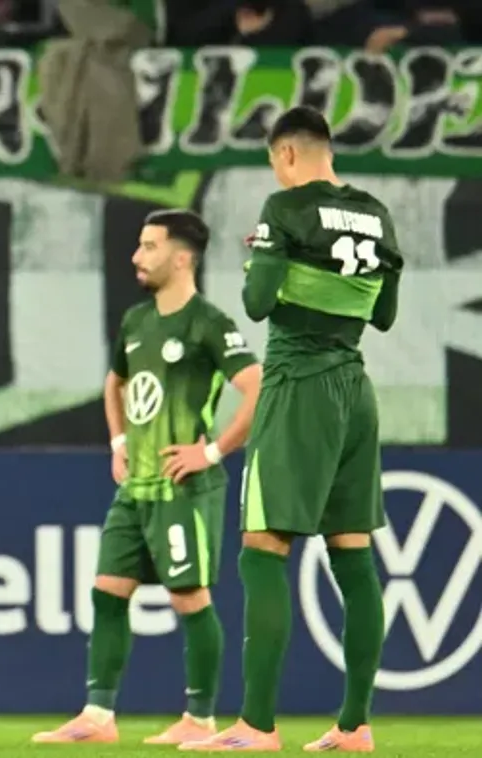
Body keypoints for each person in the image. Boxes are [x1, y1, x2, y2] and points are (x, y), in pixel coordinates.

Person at [180, 106, 402, 752]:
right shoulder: (376, 214)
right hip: (354, 389)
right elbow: (384, 315)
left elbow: (256, 304)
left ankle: (256, 725)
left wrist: (261, 259)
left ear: (285, 154)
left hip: (297, 384)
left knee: (261, 549)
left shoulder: (285, 209)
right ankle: (355, 726)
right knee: (353, 558)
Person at [32, 211, 261, 746]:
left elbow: (258, 387)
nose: (137, 256)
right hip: (135, 488)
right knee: (107, 591)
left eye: (149, 246)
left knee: (189, 597)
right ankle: (97, 717)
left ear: (182, 258)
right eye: (139, 244)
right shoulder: (137, 321)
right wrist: (118, 443)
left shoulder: (209, 323)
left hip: (183, 488)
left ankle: (199, 719)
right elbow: (115, 383)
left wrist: (211, 451)